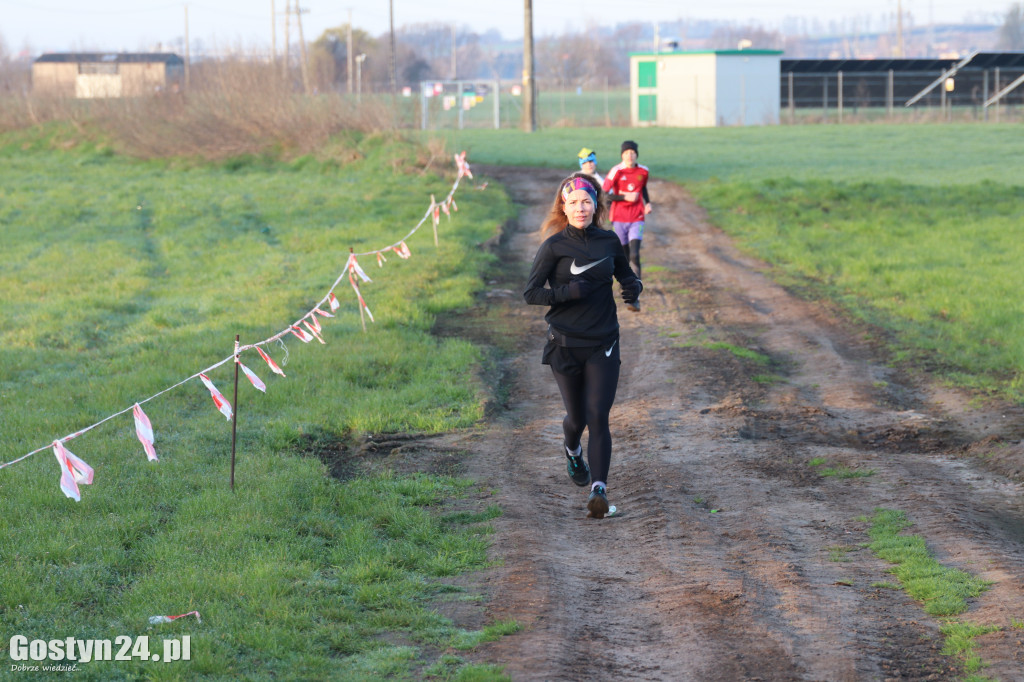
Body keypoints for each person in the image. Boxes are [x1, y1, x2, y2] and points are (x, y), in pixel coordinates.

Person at [523, 173, 643, 519]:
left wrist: (634, 288)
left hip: (603, 342)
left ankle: (599, 490)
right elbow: (531, 294)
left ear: (596, 206)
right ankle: (572, 450)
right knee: (576, 419)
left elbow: (627, 275)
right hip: (564, 345)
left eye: (587, 201)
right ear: (564, 206)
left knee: (598, 417)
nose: (580, 207)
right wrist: (566, 294)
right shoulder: (554, 247)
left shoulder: (607, 242)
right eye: (573, 202)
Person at [602, 140, 651, 312]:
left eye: (632, 152)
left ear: (637, 154)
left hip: (637, 217)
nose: (630, 156)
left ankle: (635, 296)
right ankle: (626, 285)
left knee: (635, 254)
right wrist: (623, 197)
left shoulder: (644, 171)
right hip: (619, 219)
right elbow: (604, 194)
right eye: (626, 153)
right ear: (622, 155)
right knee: (624, 258)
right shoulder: (616, 171)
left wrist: (648, 203)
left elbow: (643, 188)